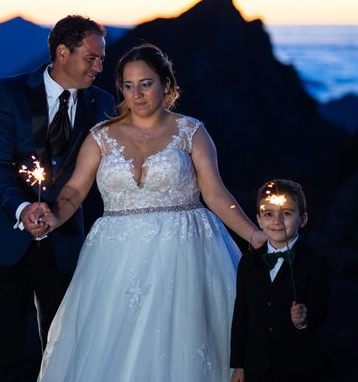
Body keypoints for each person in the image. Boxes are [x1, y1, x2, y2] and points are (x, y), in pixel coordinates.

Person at [32, 43, 268, 382]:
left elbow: (215, 193)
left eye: (145, 83)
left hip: (184, 255)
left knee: (180, 345)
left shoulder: (192, 132)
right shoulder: (101, 137)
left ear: (166, 84)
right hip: (115, 258)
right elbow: (73, 191)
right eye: (128, 86)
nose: (136, 94)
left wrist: (255, 236)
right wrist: (52, 217)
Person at [0, 15, 115, 381]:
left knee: (65, 351)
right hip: (6, 242)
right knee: (4, 354)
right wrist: (24, 209)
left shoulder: (102, 103)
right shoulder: (9, 92)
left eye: (101, 58)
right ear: (63, 53)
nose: (99, 67)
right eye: (92, 58)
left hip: (67, 244)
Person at [230, 179, 331, 382]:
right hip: (256, 367)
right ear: (259, 220)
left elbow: (321, 308)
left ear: (302, 219)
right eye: (268, 214)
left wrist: (303, 320)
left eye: (286, 214)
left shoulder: (315, 261)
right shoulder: (248, 262)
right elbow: (241, 316)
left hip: (297, 367)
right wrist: (239, 365)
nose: (277, 221)